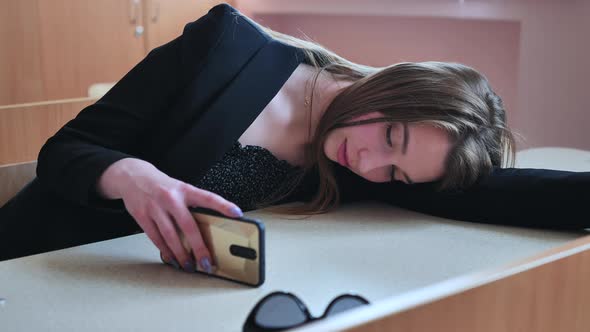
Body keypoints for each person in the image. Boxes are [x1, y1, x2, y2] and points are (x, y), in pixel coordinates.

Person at [0, 4, 588, 269]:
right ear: (390, 86)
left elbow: (501, 191)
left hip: (134, 297)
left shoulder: (359, 167)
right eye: (391, 137)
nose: (371, 163)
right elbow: (64, 153)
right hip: (35, 259)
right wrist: (134, 177)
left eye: (396, 174)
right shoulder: (224, 47)